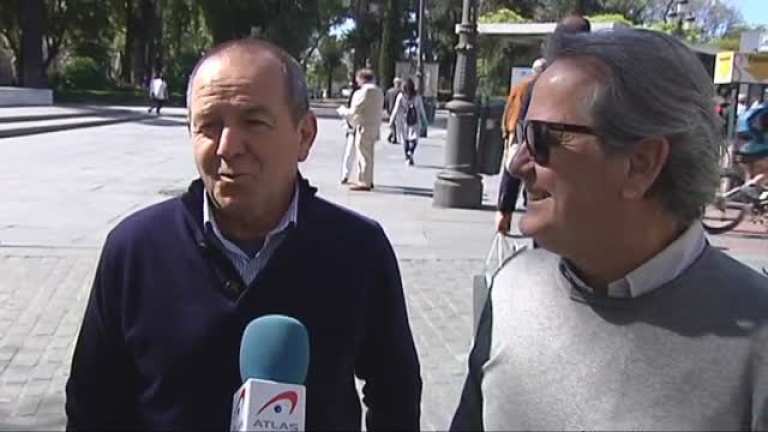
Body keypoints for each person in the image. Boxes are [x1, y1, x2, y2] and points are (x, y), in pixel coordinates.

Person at [66, 39, 422, 431]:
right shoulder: (134, 250)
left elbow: (395, 394)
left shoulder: (358, 249)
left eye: (254, 122)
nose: (228, 147)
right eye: (208, 125)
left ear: (304, 134)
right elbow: (91, 406)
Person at [451, 28, 768, 430]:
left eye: (542, 138)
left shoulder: (758, 341)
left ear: (641, 163)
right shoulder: (511, 289)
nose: (517, 164)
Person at [495, 15, 590, 234]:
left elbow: (523, 144)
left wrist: (505, 205)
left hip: (551, 200)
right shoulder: (605, 89)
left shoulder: (538, 87)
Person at [337, 69, 385, 191]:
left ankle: (364, 181)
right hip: (374, 127)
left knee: (363, 155)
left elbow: (354, 111)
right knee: (369, 155)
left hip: (363, 127)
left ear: (362, 79)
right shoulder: (379, 91)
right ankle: (368, 179)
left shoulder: (364, 92)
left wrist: (342, 110)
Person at [389, 78, 428, 166]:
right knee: (415, 138)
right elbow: (421, 109)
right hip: (415, 120)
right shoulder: (417, 97)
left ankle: (407, 157)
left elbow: (395, 110)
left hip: (404, 120)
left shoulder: (401, 96)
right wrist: (425, 120)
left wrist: (391, 121)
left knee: (405, 139)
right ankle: (411, 152)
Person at [340, 80, 360, 185]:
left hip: (358, 129)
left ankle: (348, 175)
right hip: (354, 130)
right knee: (350, 153)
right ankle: (346, 175)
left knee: (353, 154)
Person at [385, 77, 403, 144]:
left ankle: (393, 135)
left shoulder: (389, 91)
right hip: (399, 110)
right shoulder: (401, 92)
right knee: (397, 123)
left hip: (391, 109)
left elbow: (386, 100)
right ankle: (394, 136)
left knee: (392, 123)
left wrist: (387, 109)